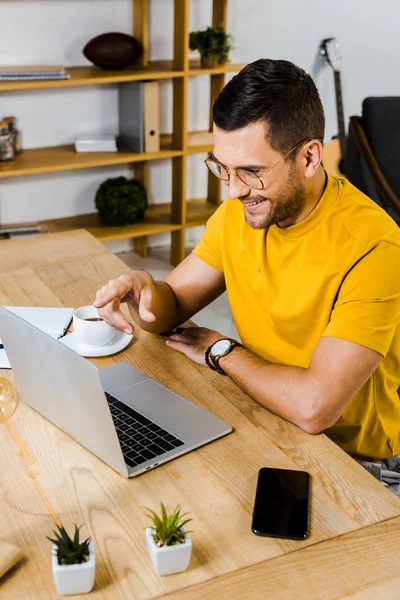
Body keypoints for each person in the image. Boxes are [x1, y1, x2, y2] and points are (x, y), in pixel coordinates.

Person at [94, 59, 400, 491]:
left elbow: (315, 407)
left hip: (359, 460)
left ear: (310, 156)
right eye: (223, 167)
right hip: (266, 413)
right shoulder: (239, 213)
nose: (234, 189)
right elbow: (171, 307)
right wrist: (144, 289)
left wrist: (222, 352)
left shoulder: (374, 247)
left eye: (252, 172)